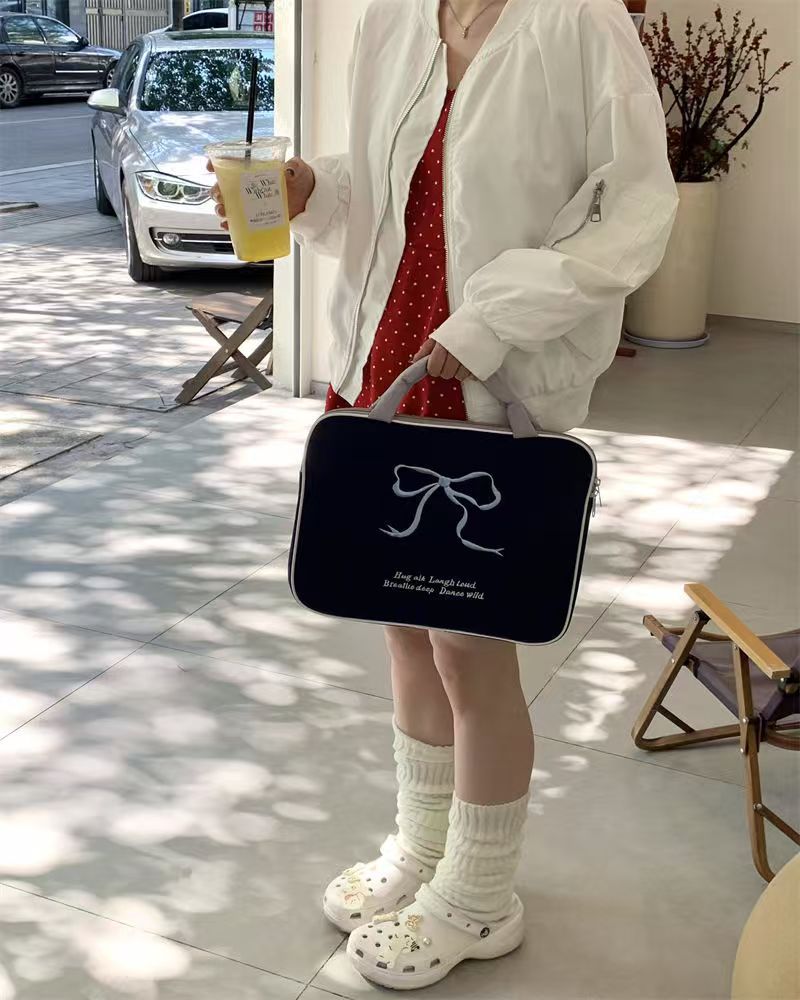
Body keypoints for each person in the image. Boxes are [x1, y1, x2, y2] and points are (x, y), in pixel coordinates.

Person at [210, 0, 678, 989]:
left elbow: (631, 209)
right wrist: (313, 191)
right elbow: (400, 188)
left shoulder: (578, 21)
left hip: (485, 374)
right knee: (402, 625)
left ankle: (480, 895)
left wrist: (492, 321)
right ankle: (423, 847)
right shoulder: (395, 18)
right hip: (383, 360)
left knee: (470, 649)